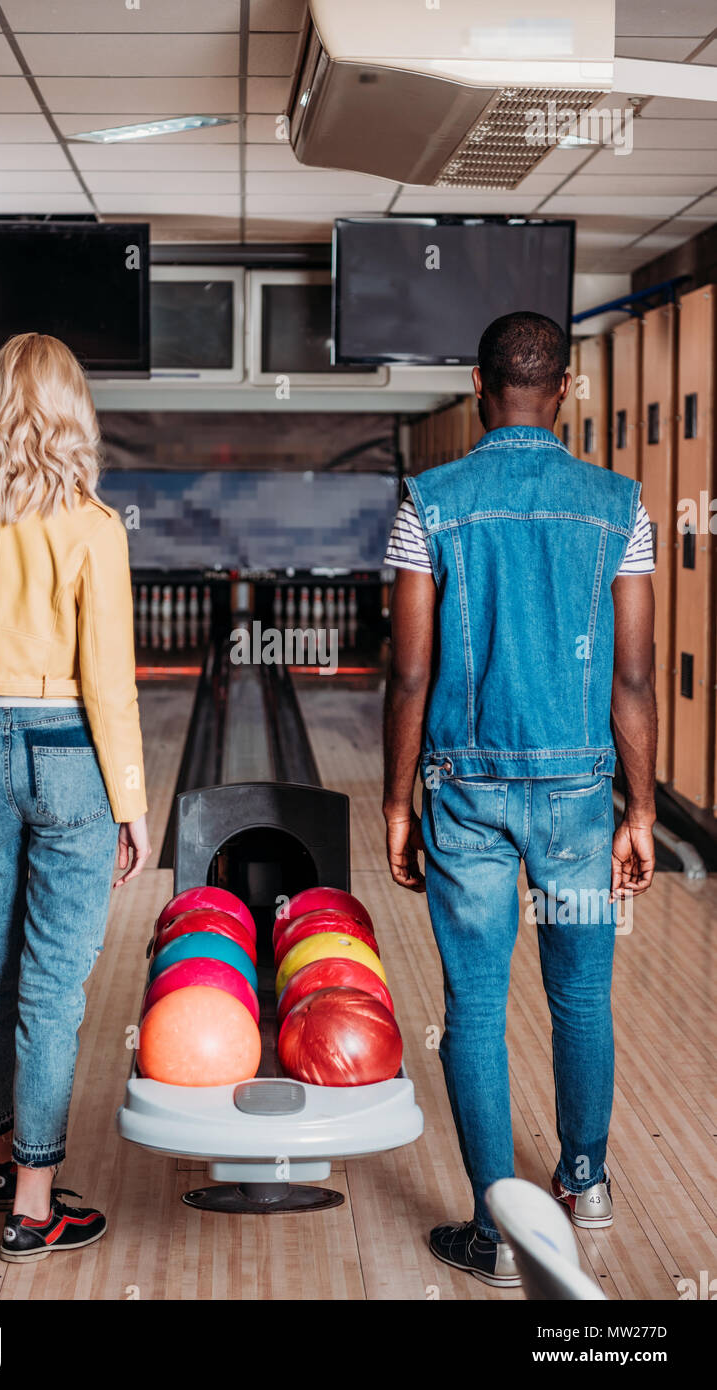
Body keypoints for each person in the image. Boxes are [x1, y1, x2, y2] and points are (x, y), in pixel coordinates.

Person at [383, 311, 657, 1288]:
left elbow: (408, 675)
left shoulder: (431, 499)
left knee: (477, 1009)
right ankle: (584, 1183)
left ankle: (500, 1235)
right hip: (582, 798)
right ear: (569, 388)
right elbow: (631, 679)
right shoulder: (620, 505)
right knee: (582, 993)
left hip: (468, 794)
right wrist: (642, 810)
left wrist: (395, 800)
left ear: (476, 383)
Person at [0, 332, 151, 1263]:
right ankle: (33, 1210)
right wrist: (130, 800)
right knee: (51, 986)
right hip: (69, 758)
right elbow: (109, 681)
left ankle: (6, 1167)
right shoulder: (94, 524)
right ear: (73, 414)